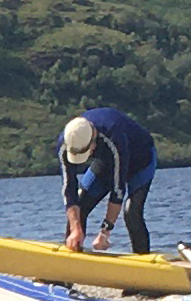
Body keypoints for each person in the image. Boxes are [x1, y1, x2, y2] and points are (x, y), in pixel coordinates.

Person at [58, 106, 158, 254]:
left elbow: (118, 190)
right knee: (80, 205)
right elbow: (68, 189)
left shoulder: (114, 136)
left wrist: (105, 232)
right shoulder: (65, 144)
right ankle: (72, 256)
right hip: (105, 162)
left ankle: (143, 262)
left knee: (131, 212)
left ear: (93, 140)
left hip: (140, 162)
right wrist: (75, 228)